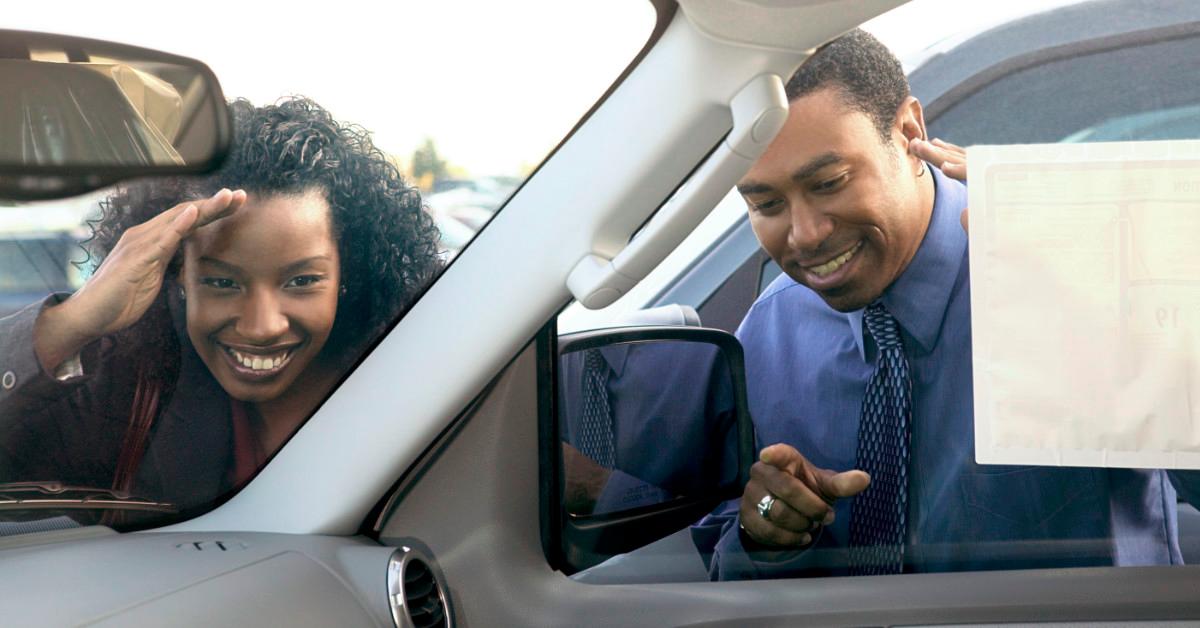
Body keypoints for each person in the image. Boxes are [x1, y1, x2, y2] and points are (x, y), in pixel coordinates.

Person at [692, 29, 1200, 580]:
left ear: (909, 131)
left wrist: (1129, 303)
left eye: (830, 182)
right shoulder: (768, 333)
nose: (805, 234)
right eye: (766, 204)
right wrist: (764, 530)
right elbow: (726, 554)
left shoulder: (1061, 274)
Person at [0, 97, 442, 522]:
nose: (262, 326)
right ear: (177, 275)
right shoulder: (133, 394)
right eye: (223, 283)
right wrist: (71, 320)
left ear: (350, 274)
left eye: (302, 281)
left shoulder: (417, 389)